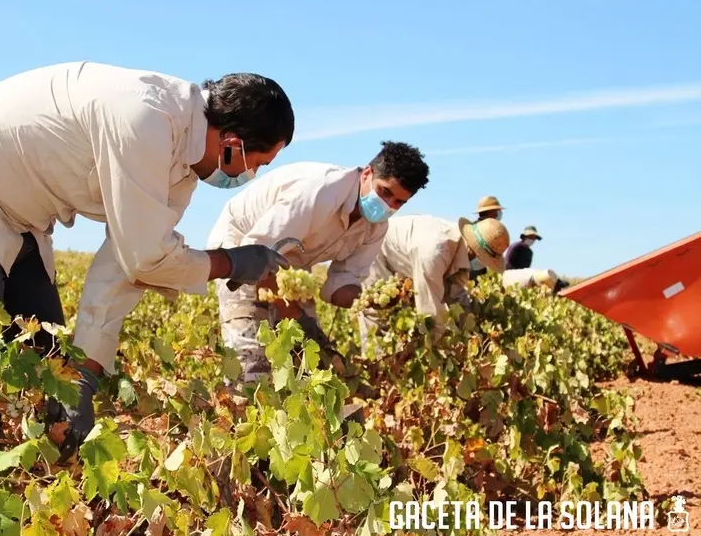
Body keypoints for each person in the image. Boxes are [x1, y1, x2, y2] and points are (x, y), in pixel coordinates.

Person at [0, 61, 295, 536]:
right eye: (258, 164)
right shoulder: (147, 118)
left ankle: (33, 523)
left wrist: (83, 374)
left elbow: (126, 268)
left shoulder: (181, 169)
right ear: (232, 143)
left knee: (50, 374)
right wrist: (229, 262)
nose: (252, 176)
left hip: (19, 223)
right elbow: (147, 257)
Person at [206, 141, 430, 383]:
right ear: (367, 174)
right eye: (385, 192)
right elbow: (259, 253)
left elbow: (339, 286)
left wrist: (372, 300)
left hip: (290, 270)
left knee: (307, 370)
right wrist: (291, 312)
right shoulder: (321, 191)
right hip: (243, 252)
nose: (388, 206)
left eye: (398, 202)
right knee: (250, 368)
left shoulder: (375, 228)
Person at [358, 216, 510, 354]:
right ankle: (374, 371)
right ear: (476, 253)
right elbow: (429, 310)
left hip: (406, 260)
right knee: (376, 315)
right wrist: (442, 349)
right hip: (378, 249)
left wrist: (471, 329)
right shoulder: (435, 252)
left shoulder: (458, 248)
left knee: (405, 320)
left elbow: (456, 293)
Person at [469, 195, 505, 279]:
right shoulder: (489, 229)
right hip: (476, 273)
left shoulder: (471, 226)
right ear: (491, 211)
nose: (500, 212)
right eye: (498, 210)